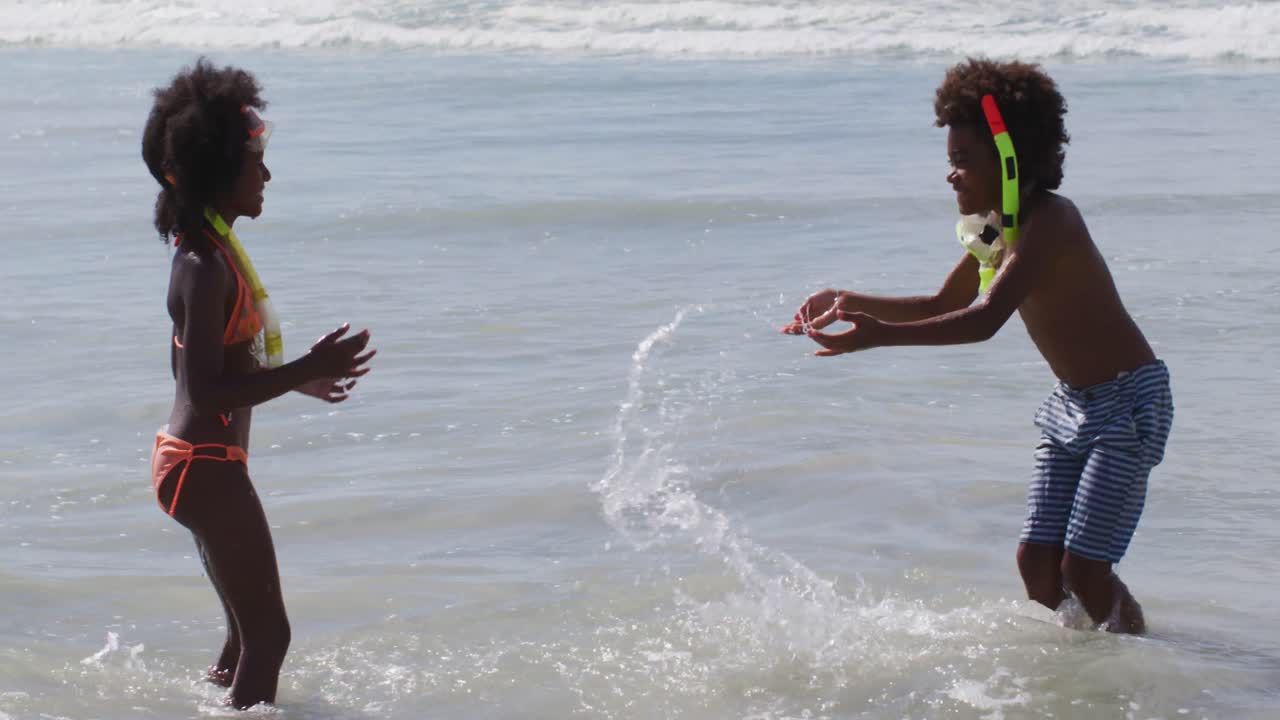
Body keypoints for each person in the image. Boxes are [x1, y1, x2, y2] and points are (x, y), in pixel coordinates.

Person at [782, 58, 1172, 634]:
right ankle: (1085, 662)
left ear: (1010, 158)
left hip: (1128, 403)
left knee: (1085, 567)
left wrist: (881, 338)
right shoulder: (998, 227)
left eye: (963, 161)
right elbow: (942, 302)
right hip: (1072, 403)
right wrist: (846, 300)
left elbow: (984, 320)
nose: (951, 176)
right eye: (951, 161)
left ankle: (1143, 659)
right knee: (1035, 563)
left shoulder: (1051, 222)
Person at [141, 59, 375, 707]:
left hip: (200, 462)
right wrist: (306, 369)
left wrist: (295, 380)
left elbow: (212, 369)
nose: (267, 176)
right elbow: (204, 391)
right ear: (219, 172)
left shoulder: (213, 252)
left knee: (243, 640)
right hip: (204, 465)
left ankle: (213, 701)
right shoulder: (203, 266)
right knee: (270, 638)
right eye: (255, 163)